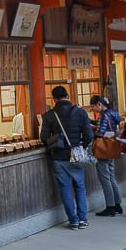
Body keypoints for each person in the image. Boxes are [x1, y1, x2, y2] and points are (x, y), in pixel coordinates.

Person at [40, 86, 93, 230]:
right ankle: (82, 219)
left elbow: (44, 138)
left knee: (65, 189)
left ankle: (73, 220)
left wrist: (56, 142)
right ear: (68, 95)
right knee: (80, 187)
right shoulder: (81, 113)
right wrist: (81, 147)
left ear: (54, 99)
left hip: (58, 157)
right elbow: (89, 136)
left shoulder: (49, 115)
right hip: (76, 157)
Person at [90, 95, 123, 217]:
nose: (93, 109)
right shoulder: (113, 113)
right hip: (111, 148)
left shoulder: (104, 115)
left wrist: (92, 130)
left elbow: (101, 133)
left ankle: (110, 206)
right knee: (111, 177)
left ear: (99, 104)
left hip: (103, 150)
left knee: (105, 179)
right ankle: (117, 204)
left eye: (93, 106)